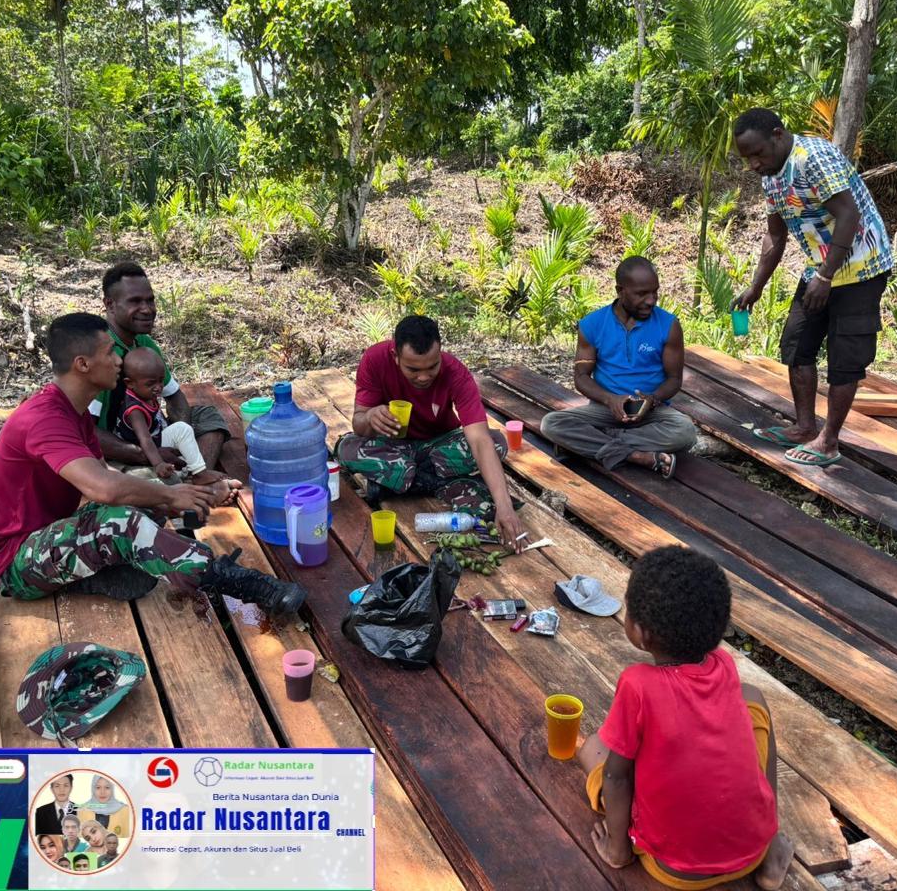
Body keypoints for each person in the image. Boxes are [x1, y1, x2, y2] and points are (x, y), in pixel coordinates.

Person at [0, 312, 306, 614]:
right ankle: (228, 579)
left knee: (147, 499)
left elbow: (106, 476)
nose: (118, 359)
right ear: (82, 364)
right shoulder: (44, 419)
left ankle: (115, 571)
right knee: (118, 519)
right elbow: (102, 488)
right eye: (108, 352)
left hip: (47, 537)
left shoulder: (73, 413)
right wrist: (171, 496)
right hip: (13, 564)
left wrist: (173, 499)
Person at [578, 546, 793, 889]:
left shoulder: (637, 686)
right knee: (755, 700)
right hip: (750, 851)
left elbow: (618, 780)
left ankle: (624, 847)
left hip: (673, 867)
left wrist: (619, 849)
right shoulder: (723, 665)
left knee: (592, 749)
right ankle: (773, 843)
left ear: (641, 633)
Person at [732, 108, 893, 468]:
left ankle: (829, 441)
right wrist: (755, 287)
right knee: (797, 344)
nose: (754, 164)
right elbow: (775, 234)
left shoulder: (813, 158)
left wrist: (825, 277)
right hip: (820, 268)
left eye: (758, 154)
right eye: (748, 159)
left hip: (862, 267)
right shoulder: (772, 176)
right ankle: (805, 427)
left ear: (778, 134)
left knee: (844, 357)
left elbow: (848, 215)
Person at [336, 315, 525, 550]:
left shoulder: (456, 372)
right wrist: (371, 417)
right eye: (413, 369)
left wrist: (504, 507)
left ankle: (400, 482)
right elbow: (358, 424)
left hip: (438, 446)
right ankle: (439, 481)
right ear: (395, 356)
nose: (423, 377)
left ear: (440, 353)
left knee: (496, 441)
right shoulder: (375, 360)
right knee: (346, 448)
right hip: (397, 446)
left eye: (432, 367)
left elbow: (479, 440)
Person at [540, 257, 697, 477]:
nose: (651, 300)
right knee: (551, 424)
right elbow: (581, 377)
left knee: (686, 432)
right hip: (604, 410)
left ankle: (595, 441)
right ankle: (637, 456)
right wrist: (609, 399)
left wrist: (652, 400)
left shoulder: (669, 325)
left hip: (652, 412)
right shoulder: (592, 324)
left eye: (655, 292)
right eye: (642, 294)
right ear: (620, 290)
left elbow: (674, 379)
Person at [92, 262, 230, 472]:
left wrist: (177, 436)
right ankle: (190, 481)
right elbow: (86, 431)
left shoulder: (145, 344)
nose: (147, 309)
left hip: (152, 435)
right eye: (135, 301)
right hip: (119, 447)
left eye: (150, 300)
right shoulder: (98, 353)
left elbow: (175, 397)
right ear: (110, 305)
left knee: (208, 416)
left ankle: (193, 477)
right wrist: (148, 454)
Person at [115, 347, 210, 482]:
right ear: (129, 383)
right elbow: (145, 440)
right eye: (151, 383)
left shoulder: (144, 392)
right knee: (183, 430)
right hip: (142, 446)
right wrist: (158, 463)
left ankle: (189, 472)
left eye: (160, 380)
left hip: (156, 436)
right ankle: (200, 472)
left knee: (185, 454)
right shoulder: (135, 410)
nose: (158, 387)